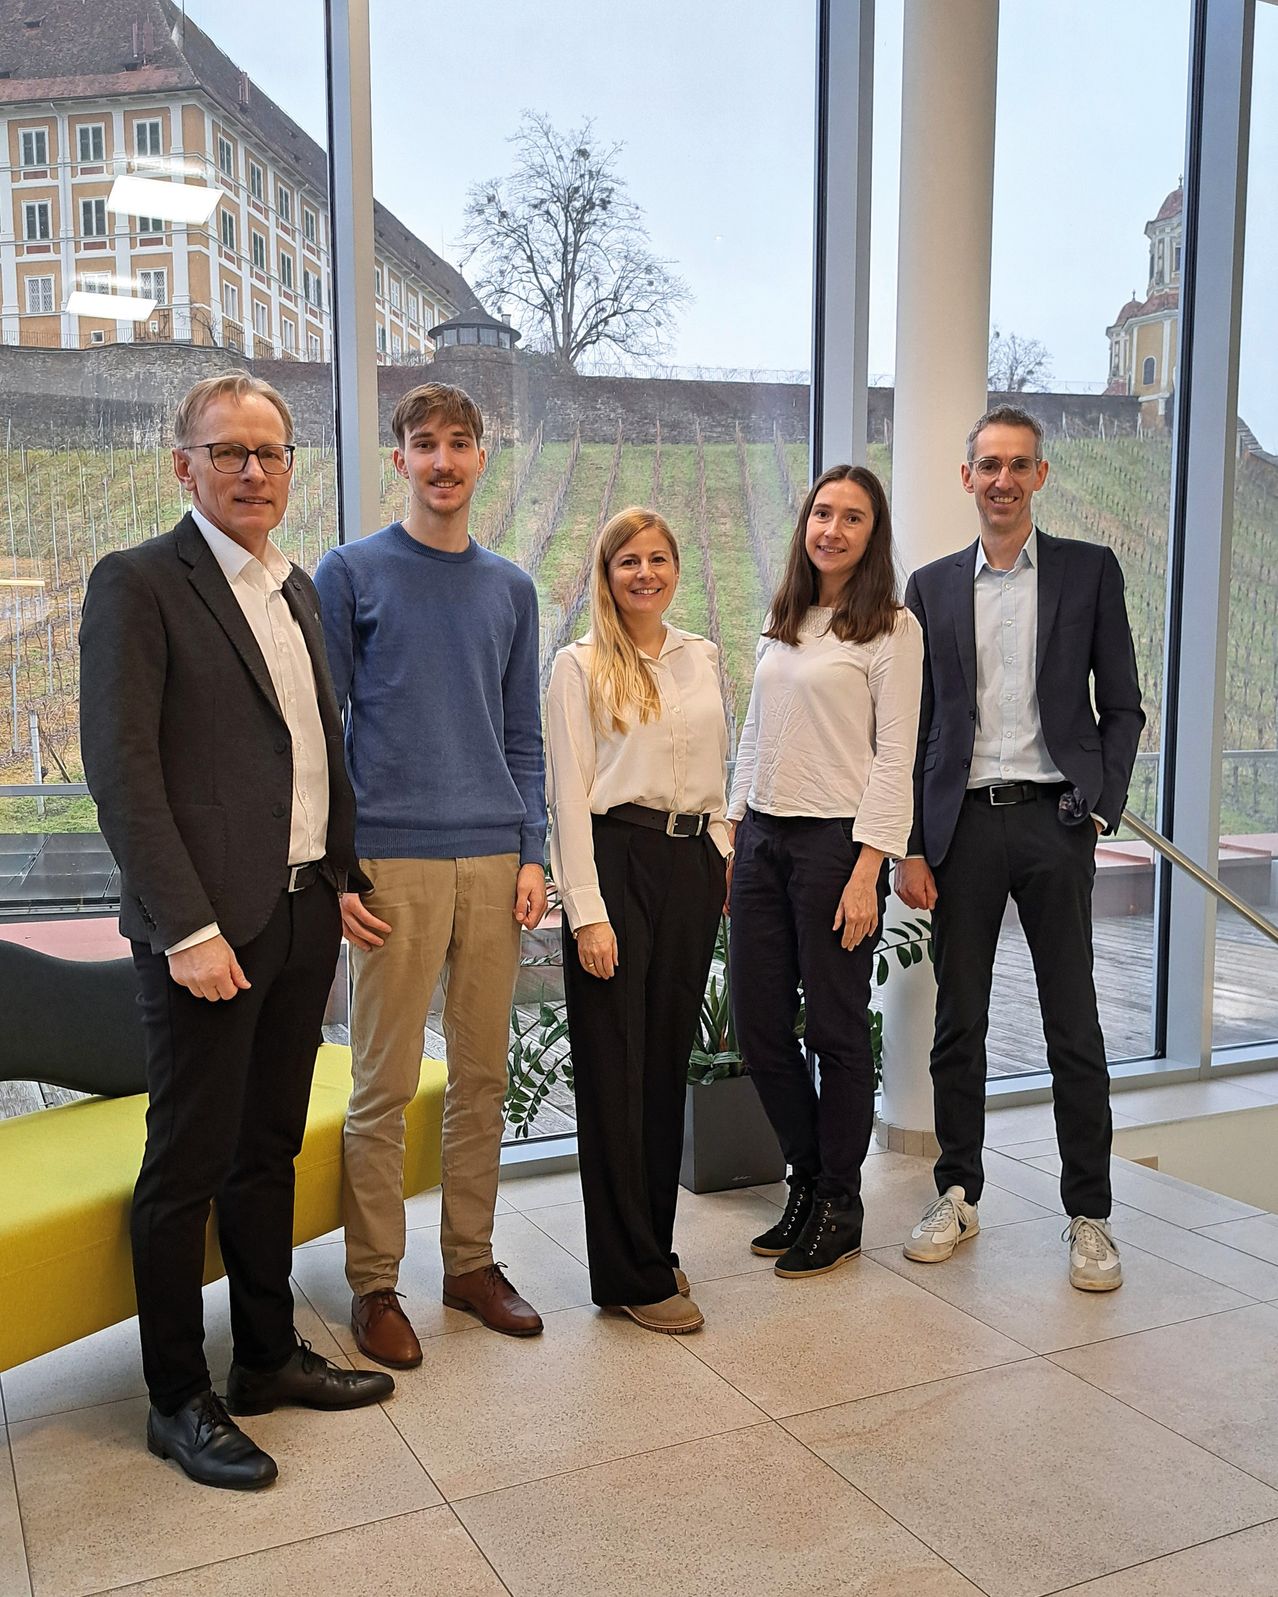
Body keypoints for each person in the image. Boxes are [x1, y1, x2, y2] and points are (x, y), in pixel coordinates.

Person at [79, 373, 392, 1493]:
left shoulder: (294, 586)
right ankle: (176, 1396)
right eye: (228, 452)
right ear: (185, 465)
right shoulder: (138, 584)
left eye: (271, 453)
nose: (253, 471)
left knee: (268, 1148)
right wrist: (187, 926)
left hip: (302, 912)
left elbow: (312, 749)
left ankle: (264, 1355)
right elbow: (123, 775)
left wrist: (339, 873)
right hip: (207, 933)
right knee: (188, 1163)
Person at [314, 383, 547, 1368]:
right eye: (423, 443)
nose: (442, 460)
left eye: (459, 442)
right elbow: (322, 731)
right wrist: (337, 867)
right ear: (399, 457)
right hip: (391, 861)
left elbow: (524, 735)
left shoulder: (511, 588)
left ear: (481, 457)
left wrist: (533, 850)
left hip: (492, 859)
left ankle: (470, 1263)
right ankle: (375, 1282)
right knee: (384, 1082)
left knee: (484, 1077)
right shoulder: (351, 571)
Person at [896, 404, 1144, 1291]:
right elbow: (916, 723)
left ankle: (1090, 1214)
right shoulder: (929, 587)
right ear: (967, 477)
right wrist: (911, 844)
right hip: (960, 828)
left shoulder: (1089, 570)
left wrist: (1102, 805)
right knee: (958, 1022)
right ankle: (957, 1191)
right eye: (988, 465)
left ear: (1040, 475)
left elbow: (1123, 704)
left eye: (1018, 464)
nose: (1002, 480)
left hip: (1055, 820)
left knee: (1072, 1022)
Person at [727, 465, 923, 1278]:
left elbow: (895, 756)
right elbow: (753, 731)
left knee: (836, 1031)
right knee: (758, 1026)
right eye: (821, 513)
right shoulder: (786, 618)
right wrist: (732, 829)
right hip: (762, 839)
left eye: (852, 517)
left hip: (836, 848)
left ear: (873, 535)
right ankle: (807, 1178)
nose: (832, 529)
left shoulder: (891, 628)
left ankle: (839, 1201)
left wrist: (867, 867)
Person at [545, 507, 729, 1333]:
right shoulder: (578, 666)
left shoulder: (702, 655)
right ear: (606, 573)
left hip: (691, 864)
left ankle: (652, 1243)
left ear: (676, 568)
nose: (645, 573)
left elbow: (717, 760)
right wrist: (587, 913)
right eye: (628, 561)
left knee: (660, 1067)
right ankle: (627, 1273)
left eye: (658, 559)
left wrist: (720, 846)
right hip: (615, 862)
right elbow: (567, 798)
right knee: (615, 1074)